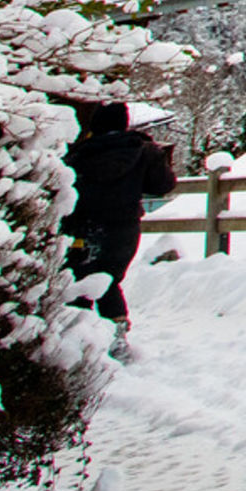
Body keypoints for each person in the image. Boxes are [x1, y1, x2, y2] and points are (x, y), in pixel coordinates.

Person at [62, 101, 175, 327]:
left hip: (86, 226)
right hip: (124, 228)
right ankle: (116, 332)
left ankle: (79, 334)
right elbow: (162, 185)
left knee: (82, 280)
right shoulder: (142, 151)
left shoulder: (81, 153)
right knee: (110, 280)